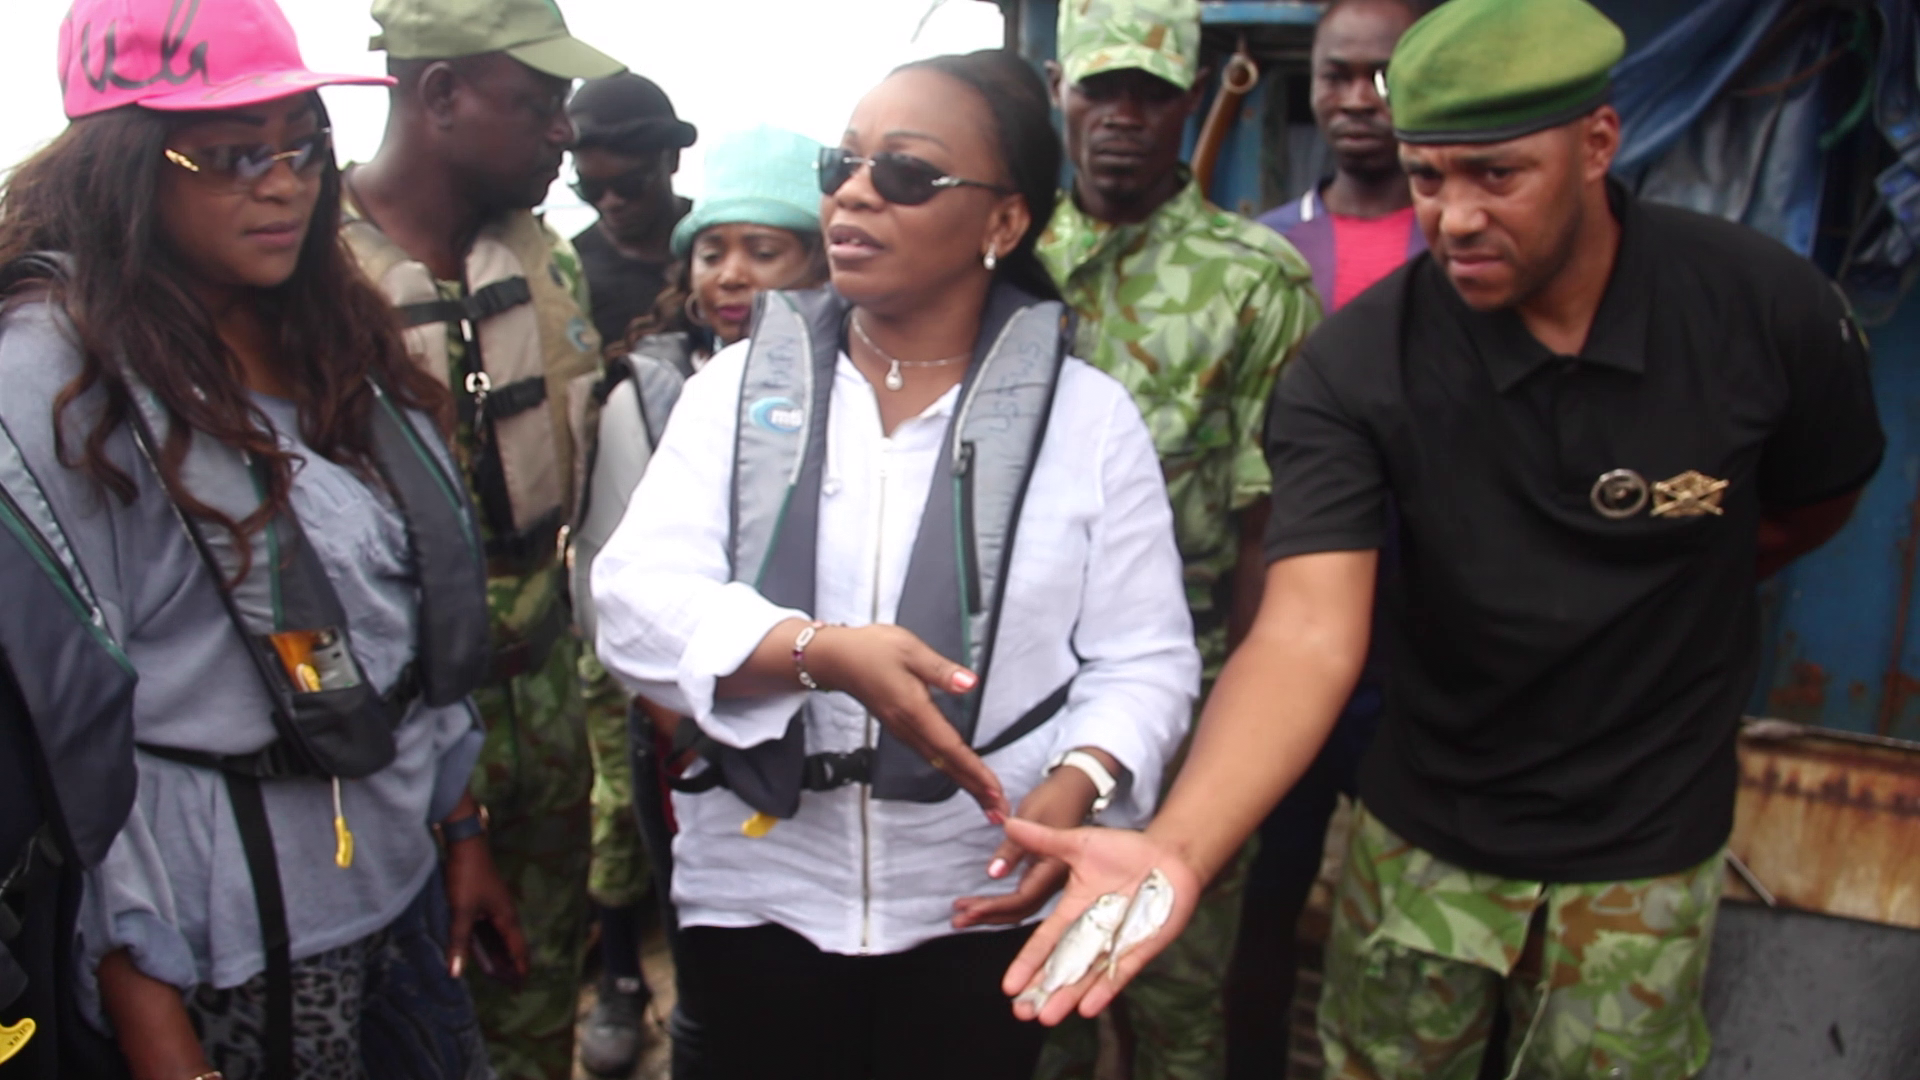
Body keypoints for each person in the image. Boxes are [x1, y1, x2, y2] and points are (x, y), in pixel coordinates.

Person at [1003, 2, 1886, 1079]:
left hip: (1649, 852)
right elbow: (1306, 634)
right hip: (1427, 836)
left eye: (1496, 176)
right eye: (1429, 178)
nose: (1454, 217)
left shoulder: (1764, 311)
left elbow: (1810, 506)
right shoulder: (1358, 368)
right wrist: (1175, 852)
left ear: (1598, 143)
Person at [590, 49, 1199, 1080]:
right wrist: (816, 652)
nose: (856, 193)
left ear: (1004, 223)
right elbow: (634, 605)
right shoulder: (737, 392)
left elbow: (1145, 658)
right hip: (754, 901)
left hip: (977, 909)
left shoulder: (1088, 421)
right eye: (844, 165)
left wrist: (1078, 782)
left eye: (906, 174)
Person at [0, 0, 531, 1076]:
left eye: (300, 145)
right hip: (225, 944)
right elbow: (74, 752)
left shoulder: (327, 324)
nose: (283, 183)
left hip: (398, 886)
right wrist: (153, 1024)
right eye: (233, 154)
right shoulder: (53, 379)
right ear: (124, 165)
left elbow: (395, 614)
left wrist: (460, 826)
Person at [1035, 1, 1321, 1076]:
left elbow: (1271, 522)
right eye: (1100, 89)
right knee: (1031, 993)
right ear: (1061, 89)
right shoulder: (1006, 259)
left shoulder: (1254, 279)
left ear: (1192, 101)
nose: (1121, 117)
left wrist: (1225, 726)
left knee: (1175, 991)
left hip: (1186, 670)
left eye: (1151, 94)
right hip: (1023, 684)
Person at [341, 1, 624, 1077]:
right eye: (539, 103)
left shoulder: (550, 264)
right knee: (400, 1020)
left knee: (534, 1004)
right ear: (441, 95)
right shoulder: (306, 279)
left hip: (546, 706)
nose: (564, 131)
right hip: (389, 746)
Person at [566, 124, 827, 1078]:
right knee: (712, 941)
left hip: (823, 719)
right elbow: (611, 580)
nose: (731, 274)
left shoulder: (869, 387)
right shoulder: (652, 390)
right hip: (685, 724)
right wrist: (673, 707)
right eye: (714, 250)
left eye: (766, 251)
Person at [1228, 0, 1421, 1073]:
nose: (1357, 99)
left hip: (1428, 656)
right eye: (1338, 73)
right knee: (1265, 898)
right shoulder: (1269, 252)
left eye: (1384, 77)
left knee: (1406, 925)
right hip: (1289, 649)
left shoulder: (1469, 243)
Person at [567, 74, 699, 351]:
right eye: (591, 188)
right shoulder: (572, 274)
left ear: (672, 159)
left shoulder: (720, 242)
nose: (610, 202)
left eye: (629, 185)